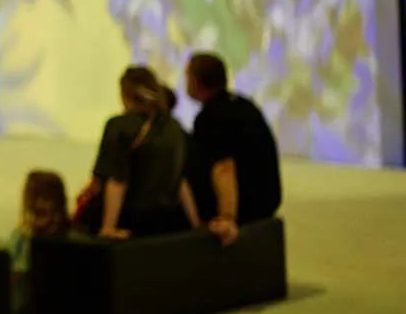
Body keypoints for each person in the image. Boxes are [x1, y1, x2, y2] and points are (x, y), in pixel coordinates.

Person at [78, 66, 199, 239]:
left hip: (128, 223)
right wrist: (195, 223)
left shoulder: (119, 126)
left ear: (125, 94)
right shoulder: (175, 129)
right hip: (165, 226)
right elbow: (180, 181)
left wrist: (108, 227)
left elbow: (117, 179)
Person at [185, 52, 283, 245]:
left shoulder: (210, 118)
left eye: (187, 76)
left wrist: (227, 217)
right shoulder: (245, 106)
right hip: (266, 205)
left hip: (243, 210)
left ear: (197, 81)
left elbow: (223, 168)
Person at [6, 171, 70, 314]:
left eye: (45, 198)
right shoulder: (21, 237)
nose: (38, 203)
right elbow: (11, 274)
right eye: (33, 198)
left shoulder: (70, 239)